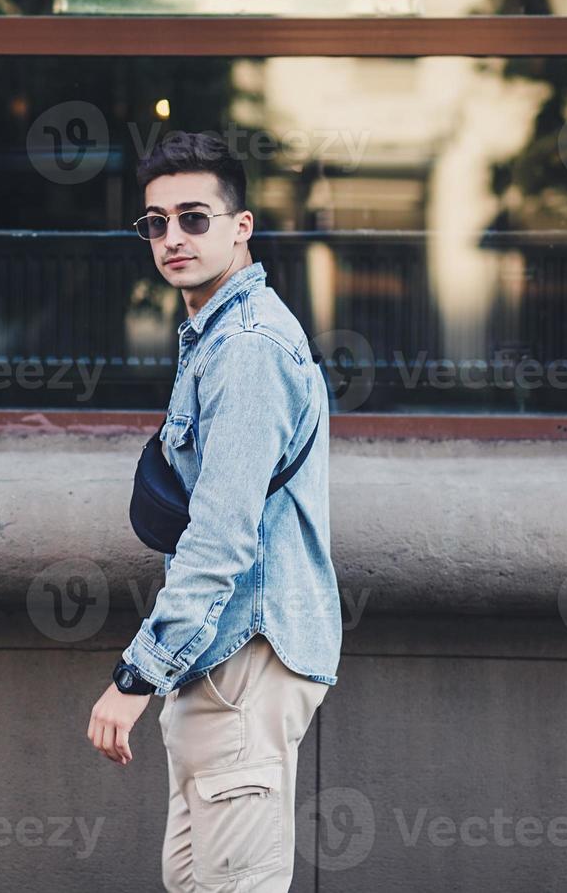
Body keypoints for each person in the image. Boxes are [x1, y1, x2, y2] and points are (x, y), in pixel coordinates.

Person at [86, 130, 343, 891]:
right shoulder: (214, 334)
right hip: (218, 660)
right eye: (155, 222)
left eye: (194, 217)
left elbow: (223, 540)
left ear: (241, 227)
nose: (171, 237)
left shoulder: (248, 348)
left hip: (244, 659)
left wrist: (135, 678)